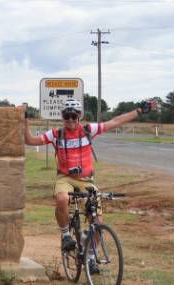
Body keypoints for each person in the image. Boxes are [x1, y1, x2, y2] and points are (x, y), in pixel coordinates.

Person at [23, 98, 155, 274]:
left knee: (98, 223)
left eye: (73, 116)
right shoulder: (56, 134)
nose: (70, 119)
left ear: (80, 116)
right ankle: (65, 235)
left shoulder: (88, 131)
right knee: (62, 199)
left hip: (86, 180)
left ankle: (91, 258)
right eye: (66, 116)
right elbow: (30, 141)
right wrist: (24, 120)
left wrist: (139, 111)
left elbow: (114, 122)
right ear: (62, 116)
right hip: (66, 178)